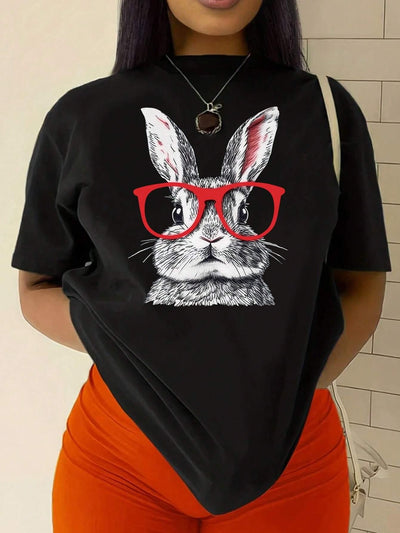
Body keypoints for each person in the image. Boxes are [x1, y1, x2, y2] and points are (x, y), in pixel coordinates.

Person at [11, 0, 391, 531]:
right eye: (182, 211)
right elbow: (36, 285)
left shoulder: (324, 108)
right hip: (120, 452)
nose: (211, 233)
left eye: (239, 212)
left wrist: (292, 388)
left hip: (291, 456)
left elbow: (363, 281)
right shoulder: (84, 115)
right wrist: (128, 348)